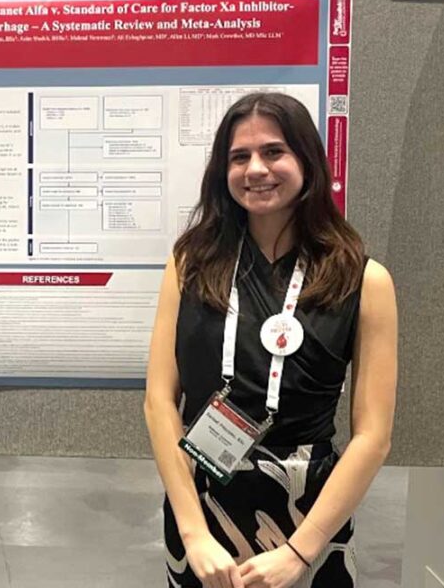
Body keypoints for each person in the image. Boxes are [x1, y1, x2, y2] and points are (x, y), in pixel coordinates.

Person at [144, 93, 397, 588]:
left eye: (274, 152)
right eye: (240, 157)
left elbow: (373, 436)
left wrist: (302, 551)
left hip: (310, 510)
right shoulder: (189, 265)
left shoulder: (364, 281)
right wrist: (194, 533)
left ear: (306, 160)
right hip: (202, 496)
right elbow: (158, 400)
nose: (256, 169)